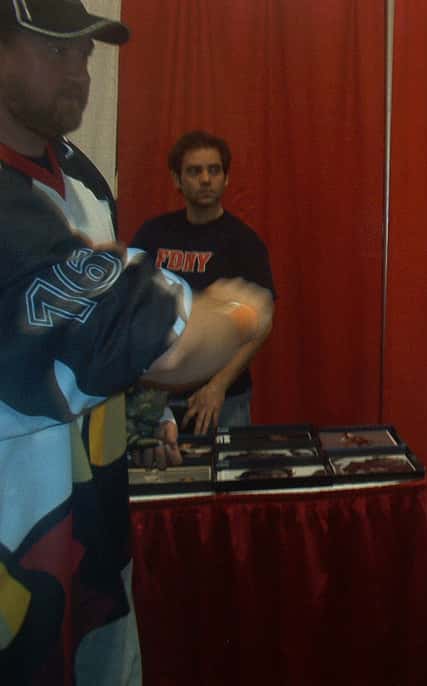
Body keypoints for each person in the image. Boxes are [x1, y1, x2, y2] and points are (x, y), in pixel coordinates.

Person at [0, 1, 273, 683]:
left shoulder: (85, 182)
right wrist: (240, 311)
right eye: (56, 51)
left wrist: (149, 419)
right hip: (16, 542)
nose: (80, 73)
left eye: (87, 55)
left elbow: (104, 352)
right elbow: (169, 345)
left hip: (97, 532)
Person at [131, 130, 275, 435]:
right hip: (158, 402)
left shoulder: (244, 243)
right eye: (195, 171)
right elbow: (130, 309)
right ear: (177, 180)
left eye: (214, 170)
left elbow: (260, 326)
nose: (206, 179)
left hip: (224, 400)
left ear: (226, 178)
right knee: (163, 481)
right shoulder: (153, 235)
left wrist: (218, 386)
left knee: (227, 481)